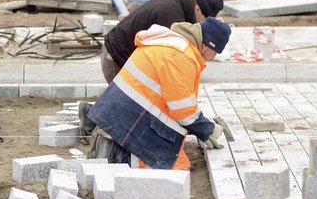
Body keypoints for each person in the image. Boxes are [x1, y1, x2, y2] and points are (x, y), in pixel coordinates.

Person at [86, 17, 231, 171]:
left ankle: (117, 152)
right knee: (177, 170)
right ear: (207, 45)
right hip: (128, 122)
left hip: (121, 113)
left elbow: (176, 100)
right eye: (215, 52)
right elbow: (183, 112)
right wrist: (208, 130)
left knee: (178, 163)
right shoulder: (181, 56)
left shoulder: (174, 44)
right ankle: (118, 159)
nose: (213, 58)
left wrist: (198, 128)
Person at [100, 0, 225, 84]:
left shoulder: (174, 3)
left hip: (119, 55)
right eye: (204, 20)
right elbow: (170, 63)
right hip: (116, 61)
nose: (201, 25)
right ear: (197, 9)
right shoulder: (173, 20)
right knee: (131, 106)